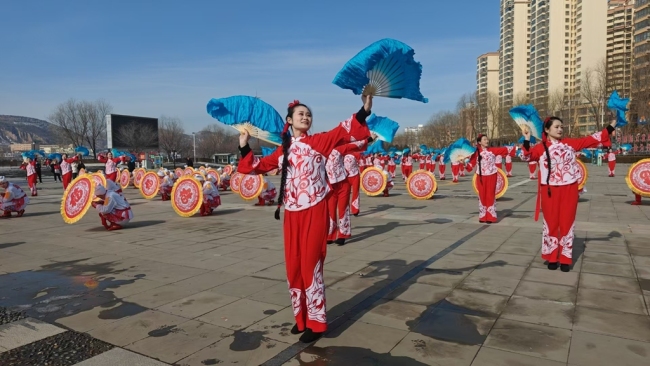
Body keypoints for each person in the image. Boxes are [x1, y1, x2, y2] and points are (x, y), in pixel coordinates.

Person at [236, 96, 372, 343]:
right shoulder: (282, 151)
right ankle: (301, 319)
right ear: (289, 121)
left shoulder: (319, 141)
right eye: (300, 114)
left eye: (308, 114)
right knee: (294, 267)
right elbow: (256, 166)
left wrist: (364, 111)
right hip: (292, 215)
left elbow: (343, 129)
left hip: (315, 210)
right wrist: (244, 145)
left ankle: (317, 323)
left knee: (311, 265)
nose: (306, 117)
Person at [521, 116, 615, 272]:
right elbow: (526, 156)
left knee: (567, 221)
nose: (560, 129)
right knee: (551, 222)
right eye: (556, 127)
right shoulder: (540, 147)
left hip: (569, 188)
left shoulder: (570, 144)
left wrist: (611, 126)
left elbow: (592, 139)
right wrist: (526, 139)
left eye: (561, 127)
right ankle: (552, 256)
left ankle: (565, 257)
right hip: (549, 189)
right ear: (547, 130)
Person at [466, 135, 515, 224]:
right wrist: (464, 164)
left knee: (490, 194)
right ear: (479, 142)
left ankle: (491, 216)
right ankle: (483, 215)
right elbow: (470, 166)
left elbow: (504, 149)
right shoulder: (476, 153)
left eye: (487, 139)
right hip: (480, 176)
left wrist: (519, 147)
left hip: (492, 175)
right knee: (482, 195)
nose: (487, 141)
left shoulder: (492, 150)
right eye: (484, 139)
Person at [344, 151, 362, 216]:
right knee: (345, 194)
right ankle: (346, 210)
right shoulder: (342, 152)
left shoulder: (356, 153)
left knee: (355, 193)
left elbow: (361, 163)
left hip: (355, 175)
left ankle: (355, 210)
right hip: (345, 177)